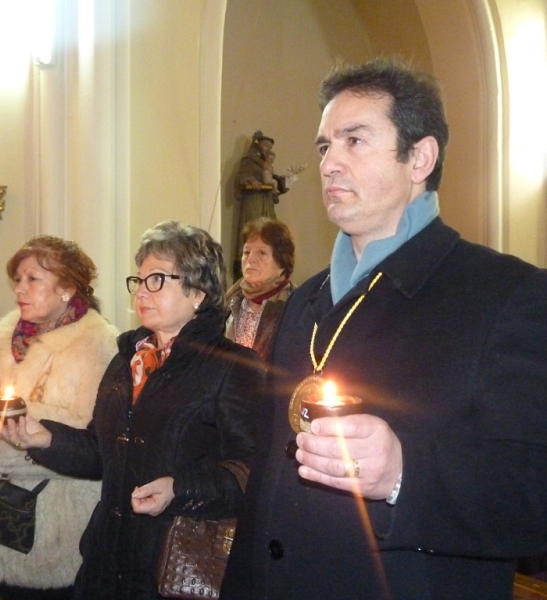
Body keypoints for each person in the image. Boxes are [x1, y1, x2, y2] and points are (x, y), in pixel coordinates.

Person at [220, 57, 547, 600]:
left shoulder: (506, 294)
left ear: (419, 157)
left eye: (355, 141)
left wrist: (403, 476)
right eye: (325, 146)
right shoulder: (304, 299)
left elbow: (532, 492)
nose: (329, 164)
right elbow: (269, 481)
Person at [0, 221, 266, 600]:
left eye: (157, 279)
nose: (142, 292)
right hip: (107, 560)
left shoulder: (233, 366)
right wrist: (45, 438)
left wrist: (179, 488)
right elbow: (102, 454)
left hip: (172, 565)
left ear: (198, 293)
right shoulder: (129, 358)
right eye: (139, 280)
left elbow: (251, 471)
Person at [0, 236, 119, 600]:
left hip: (57, 518)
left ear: (67, 288)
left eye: (33, 279)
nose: (19, 290)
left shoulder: (98, 344)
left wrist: (5, 435)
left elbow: (87, 441)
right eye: (18, 279)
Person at [225, 217, 295, 363]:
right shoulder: (227, 302)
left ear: (282, 263)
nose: (250, 259)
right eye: (246, 252)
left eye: (261, 253)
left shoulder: (295, 307)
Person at [233, 130, 288, 279]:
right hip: (254, 200)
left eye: (269, 147)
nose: (267, 149)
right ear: (258, 145)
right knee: (253, 230)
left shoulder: (267, 164)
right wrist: (251, 181)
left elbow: (273, 179)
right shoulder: (249, 160)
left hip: (266, 200)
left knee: (270, 233)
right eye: (265, 145)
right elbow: (242, 176)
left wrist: (286, 181)